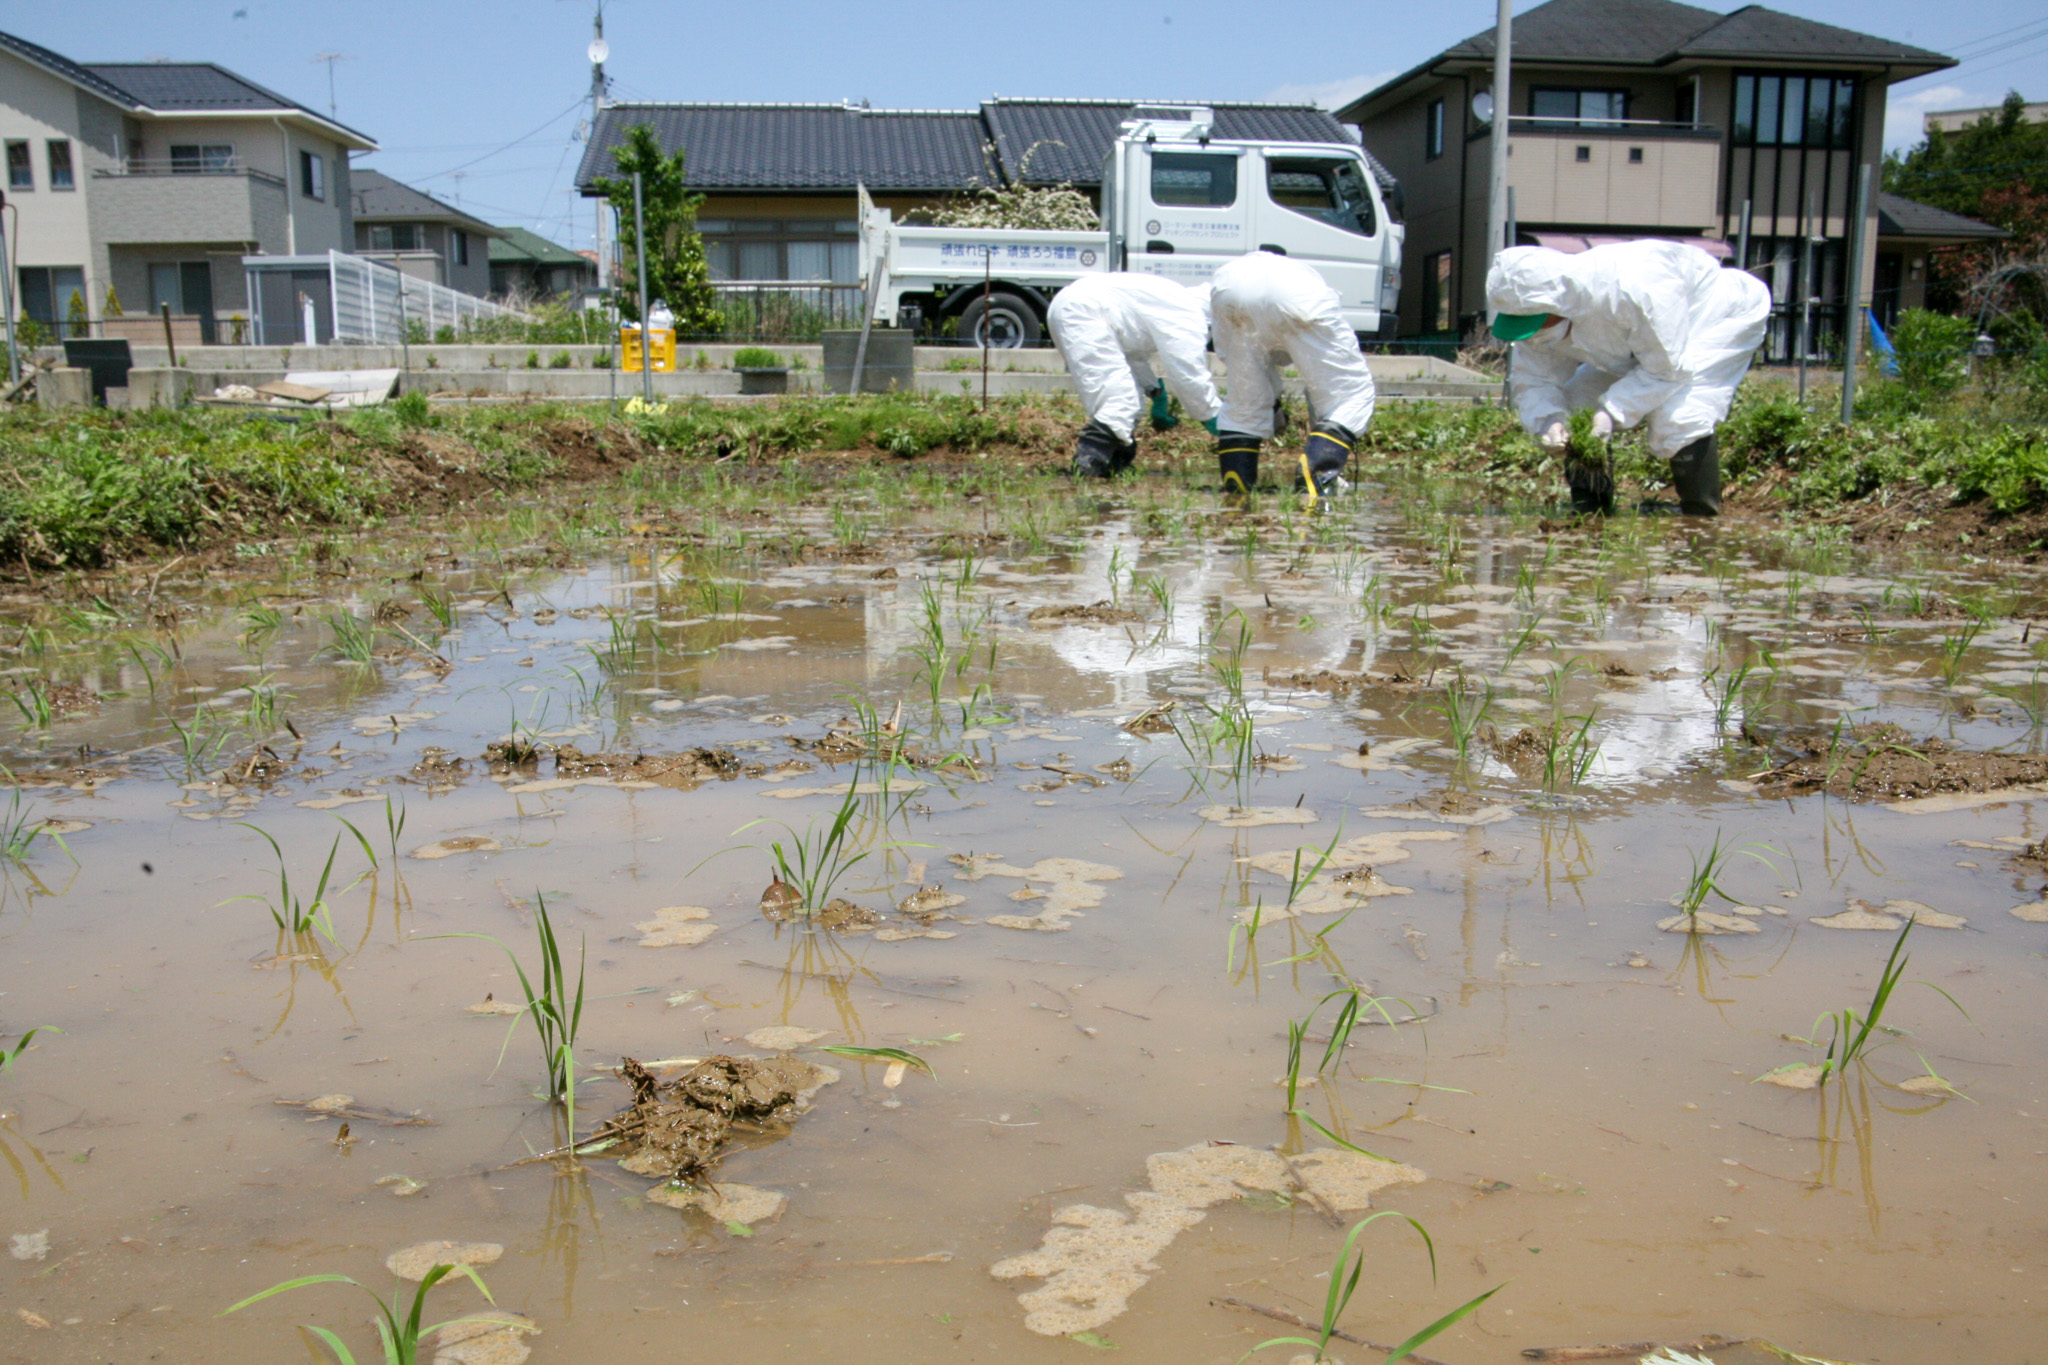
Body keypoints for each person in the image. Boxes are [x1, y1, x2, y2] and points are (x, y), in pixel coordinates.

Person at [1486, 240, 1771, 516]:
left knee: (1678, 417)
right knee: (1577, 412)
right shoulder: (1534, 310)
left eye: (1536, 323)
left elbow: (1667, 370)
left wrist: (1612, 411)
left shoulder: (1636, 289)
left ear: (1562, 303)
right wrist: (1548, 419)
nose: (1533, 333)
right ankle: (1591, 511)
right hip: (1639, 349)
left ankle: (1699, 519)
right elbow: (1534, 378)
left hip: (1713, 318)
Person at [1208, 251, 1377, 501]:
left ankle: (1237, 492)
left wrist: (1271, 408)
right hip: (1293, 295)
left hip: (1228, 290)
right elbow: (1324, 387)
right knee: (1353, 394)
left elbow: (1252, 370)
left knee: (1245, 403)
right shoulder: (1304, 278)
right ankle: (1316, 477)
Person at [1046, 273, 1221, 478]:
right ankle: (1087, 470)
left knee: (1130, 404)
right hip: (1083, 312)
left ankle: (1110, 465)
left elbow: (1132, 355)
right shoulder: (1188, 313)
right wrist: (1213, 416)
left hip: (1072, 308)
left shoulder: (1169, 301)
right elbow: (1188, 372)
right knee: (1120, 402)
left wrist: (1155, 391)